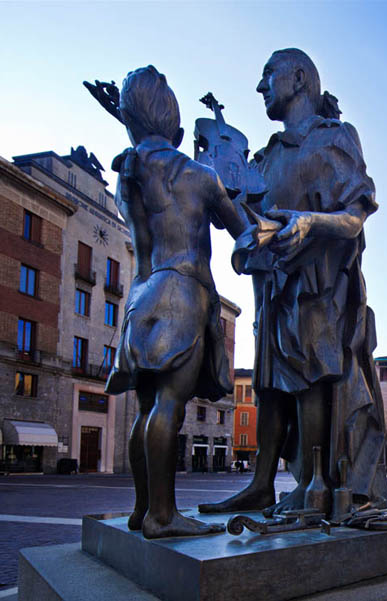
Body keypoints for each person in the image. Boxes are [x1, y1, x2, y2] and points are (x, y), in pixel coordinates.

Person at [200, 49, 387, 516]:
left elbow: (355, 216)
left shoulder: (333, 138)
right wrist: (219, 194)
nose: (260, 86)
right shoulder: (265, 158)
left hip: (317, 285)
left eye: (269, 74)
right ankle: (261, 483)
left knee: (310, 376)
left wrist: (309, 223)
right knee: (268, 385)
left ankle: (315, 485)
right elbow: (248, 222)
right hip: (272, 287)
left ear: (300, 78)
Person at [104, 65, 250, 538]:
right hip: (183, 292)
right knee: (170, 404)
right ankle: (163, 516)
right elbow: (242, 230)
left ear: (130, 123)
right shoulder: (199, 175)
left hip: (140, 297)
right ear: (180, 130)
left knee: (145, 407)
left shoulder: (128, 173)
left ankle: (142, 510)